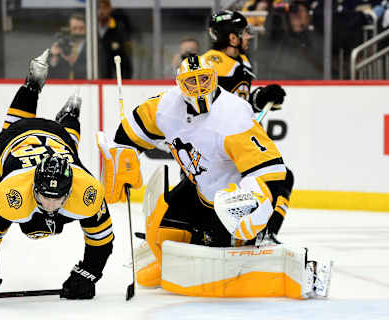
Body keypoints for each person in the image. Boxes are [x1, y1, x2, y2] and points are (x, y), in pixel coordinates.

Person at [98, 53, 287, 287]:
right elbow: (132, 129)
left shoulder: (234, 116)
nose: (199, 88)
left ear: (214, 79)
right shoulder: (166, 106)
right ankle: (169, 265)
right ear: (179, 85)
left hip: (228, 198)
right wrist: (123, 157)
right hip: (196, 188)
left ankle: (245, 245)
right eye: (191, 82)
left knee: (218, 252)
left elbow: (270, 170)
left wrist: (254, 203)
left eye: (204, 80)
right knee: (161, 235)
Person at [0, 49, 113, 306]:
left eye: (58, 197)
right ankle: (35, 89)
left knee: (69, 148)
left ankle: (66, 115)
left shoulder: (85, 188)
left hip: (58, 142)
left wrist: (88, 273)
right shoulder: (11, 191)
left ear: (70, 189)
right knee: (15, 129)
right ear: (33, 187)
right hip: (17, 141)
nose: (52, 205)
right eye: (45, 196)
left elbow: (102, 239)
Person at [201, 10, 292, 243]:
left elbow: (238, 103)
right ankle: (254, 234)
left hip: (232, 146)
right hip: (214, 151)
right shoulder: (212, 63)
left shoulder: (239, 63)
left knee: (280, 177)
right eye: (244, 33)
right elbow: (208, 107)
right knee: (276, 179)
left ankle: (262, 233)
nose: (249, 37)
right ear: (232, 38)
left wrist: (261, 97)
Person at [257, 0, 324, 79]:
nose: (296, 15)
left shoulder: (316, 40)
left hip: (308, 82)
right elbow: (269, 30)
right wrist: (276, 11)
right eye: (294, 12)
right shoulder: (280, 37)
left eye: (301, 11)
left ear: (308, 17)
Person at [97, 0, 133, 79]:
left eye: (104, 8)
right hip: (95, 79)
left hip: (113, 81)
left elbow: (125, 60)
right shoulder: (91, 30)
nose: (101, 11)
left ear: (110, 9)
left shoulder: (119, 30)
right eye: (98, 8)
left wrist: (124, 81)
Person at [49, 13, 87, 79]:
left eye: (81, 28)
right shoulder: (61, 44)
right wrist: (54, 58)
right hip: (63, 86)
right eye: (74, 28)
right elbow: (49, 76)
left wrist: (72, 63)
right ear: (69, 29)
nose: (78, 32)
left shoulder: (93, 47)